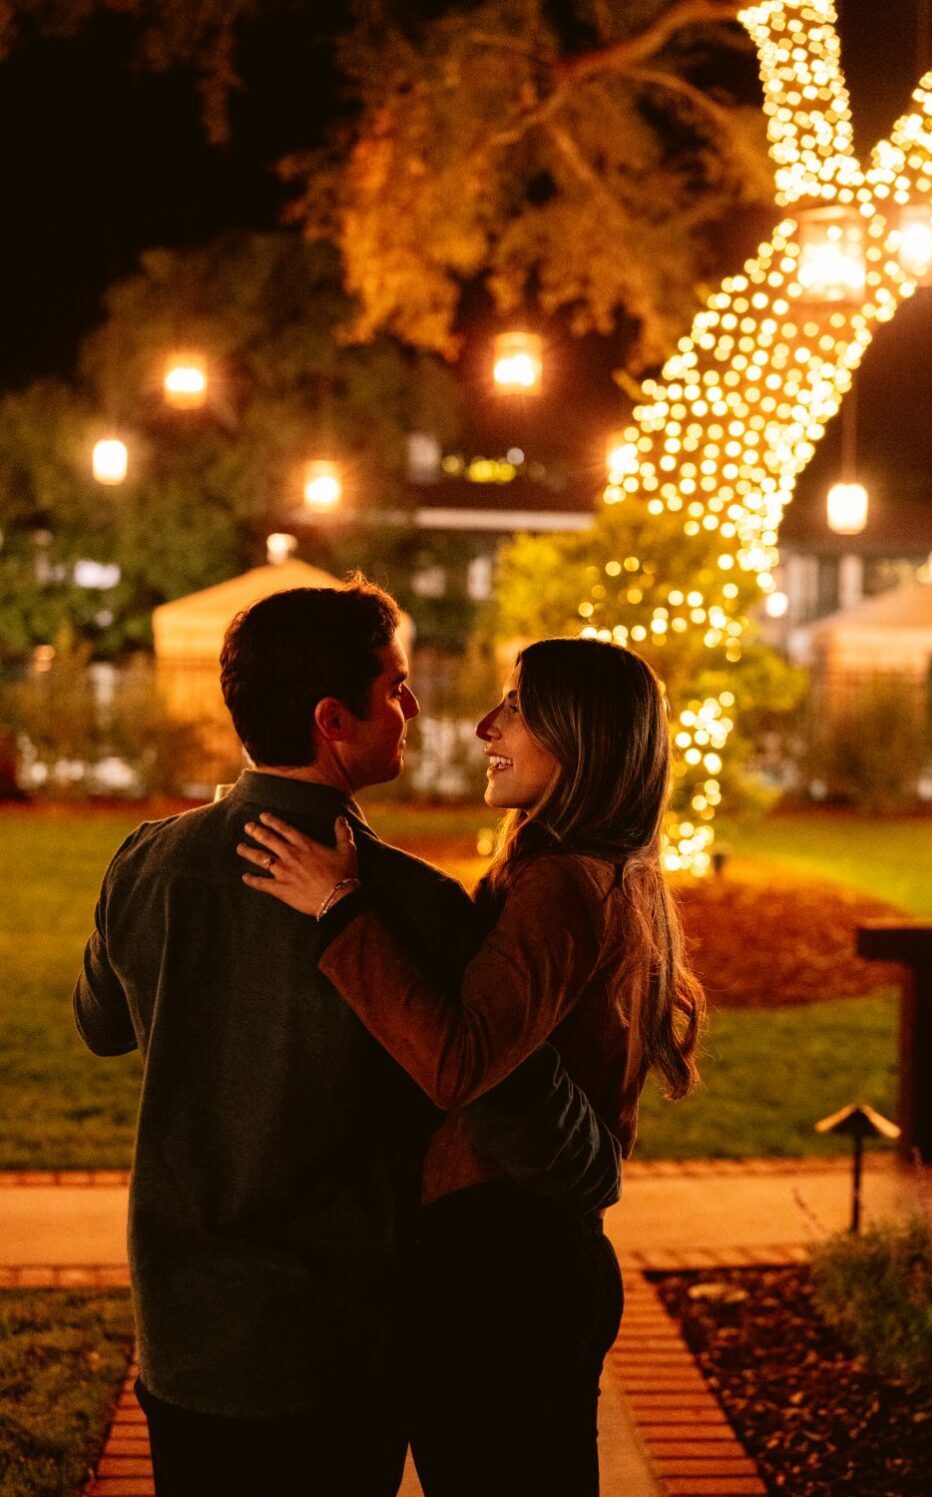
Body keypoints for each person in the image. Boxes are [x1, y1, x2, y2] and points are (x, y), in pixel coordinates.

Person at [73, 583, 622, 1497]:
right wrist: (593, 1163)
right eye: (396, 687)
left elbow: (99, 1023)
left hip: (186, 1336)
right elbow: (502, 1099)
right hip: (342, 1345)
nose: (414, 708)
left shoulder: (148, 861)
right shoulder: (417, 908)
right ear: (334, 719)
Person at [240, 634, 706, 1497]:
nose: (488, 725)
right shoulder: (605, 871)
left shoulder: (564, 884)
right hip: (529, 1259)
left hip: (503, 1275)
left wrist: (337, 910)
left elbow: (458, 1061)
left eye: (518, 708)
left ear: (584, 734)